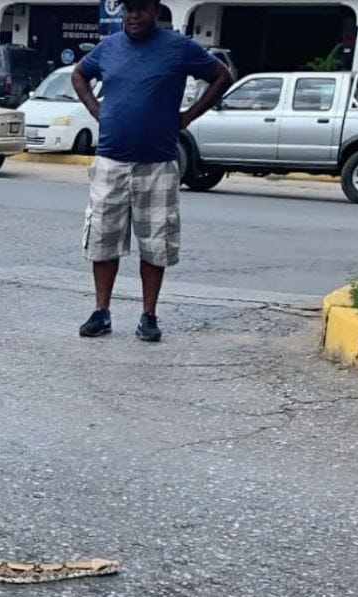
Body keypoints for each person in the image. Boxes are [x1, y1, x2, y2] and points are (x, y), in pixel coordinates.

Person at [71, 0, 232, 342]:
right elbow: (79, 74)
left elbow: (221, 76)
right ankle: (101, 312)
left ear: (156, 12)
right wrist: (97, 110)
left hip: (157, 163)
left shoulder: (178, 47)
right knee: (103, 238)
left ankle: (149, 316)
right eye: (128, 9)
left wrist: (187, 117)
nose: (133, 16)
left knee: (155, 241)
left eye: (141, 9)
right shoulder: (109, 47)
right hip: (111, 160)